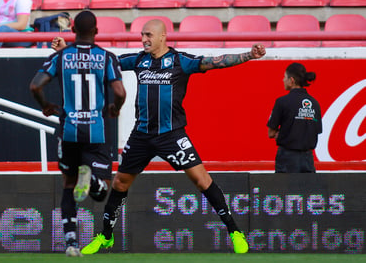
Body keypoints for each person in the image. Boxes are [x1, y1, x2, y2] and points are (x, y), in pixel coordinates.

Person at [52, 19, 266, 254]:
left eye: (149, 35)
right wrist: (66, 51)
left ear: (163, 36)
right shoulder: (138, 60)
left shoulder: (180, 61)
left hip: (171, 135)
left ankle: (235, 231)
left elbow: (214, 63)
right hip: (141, 135)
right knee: (120, 183)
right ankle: (105, 236)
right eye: (142, 35)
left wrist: (248, 55)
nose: (144, 39)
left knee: (201, 180)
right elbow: (102, 62)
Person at [29, 10, 126, 257]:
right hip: (96, 130)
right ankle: (92, 180)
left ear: (73, 30)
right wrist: (115, 107)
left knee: (68, 184)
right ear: (96, 31)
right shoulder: (106, 58)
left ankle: (71, 242)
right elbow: (120, 91)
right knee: (103, 190)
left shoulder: (62, 56)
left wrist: (46, 106)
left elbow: (35, 85)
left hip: (69, 129)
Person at [267, 62, 322, 173]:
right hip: (308, 159)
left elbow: (271, 133)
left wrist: (282, 133)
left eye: (285, 77)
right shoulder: (315, 103)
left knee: (286, 190)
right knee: (307, 190)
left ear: (291, 80)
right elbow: (316, 131)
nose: (283, 80)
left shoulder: (282, 102)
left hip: (287, 159)